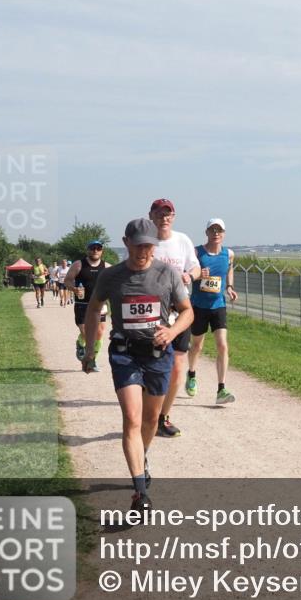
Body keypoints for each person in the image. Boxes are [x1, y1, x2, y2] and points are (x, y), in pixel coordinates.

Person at [81, 218, 193, 513]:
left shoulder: (167, 274)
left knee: (150, 421)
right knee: (132, 419)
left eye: (149, 245)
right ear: (126, 242)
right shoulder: (111, 276)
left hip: (157, 355)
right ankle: (139, 492)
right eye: (139, 244)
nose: (144, 250)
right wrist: (90, 351)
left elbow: (187, 312)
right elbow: (94, 309)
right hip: (124, 354)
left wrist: (172, 331)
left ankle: (140, 457)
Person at [149, 198, 200, 437]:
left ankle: (163, 417)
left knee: (178, 368)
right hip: (154, 311)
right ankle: (146, 413)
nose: (164, 217)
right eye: (160, 213)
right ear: (151, 215)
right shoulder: (147, 242)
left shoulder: (183, 240)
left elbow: (196, 267)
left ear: (174, 216)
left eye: (168, 213)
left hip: (180, 309)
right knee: (153, 366)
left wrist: (190, 275)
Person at [185, 219, 238, 404]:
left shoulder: (228, 254)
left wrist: (230, 286)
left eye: (219, 230)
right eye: (212, 230)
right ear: (206, 232)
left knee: (223, 345)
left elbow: (229, 270)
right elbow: (189, 271)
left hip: (218, 305)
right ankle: (191, 374)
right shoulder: (197, 252)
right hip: (199, 305)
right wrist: (200, 274)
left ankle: (221, 389)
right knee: (197, 346)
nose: (216, 233)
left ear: (223, 233)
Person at [66, 240, 112, 371]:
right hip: (83, 304)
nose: (95, 251)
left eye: (98, 248)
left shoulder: (107, 267)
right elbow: (67, 280)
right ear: (88, 250)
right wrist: (74, 289)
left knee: (99, 333)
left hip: (100, 304)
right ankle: (81, 343)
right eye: (93, 248)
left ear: (102, 251)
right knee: (86, 332)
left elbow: (116, 282)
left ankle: (93, 360)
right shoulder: (79, 264)